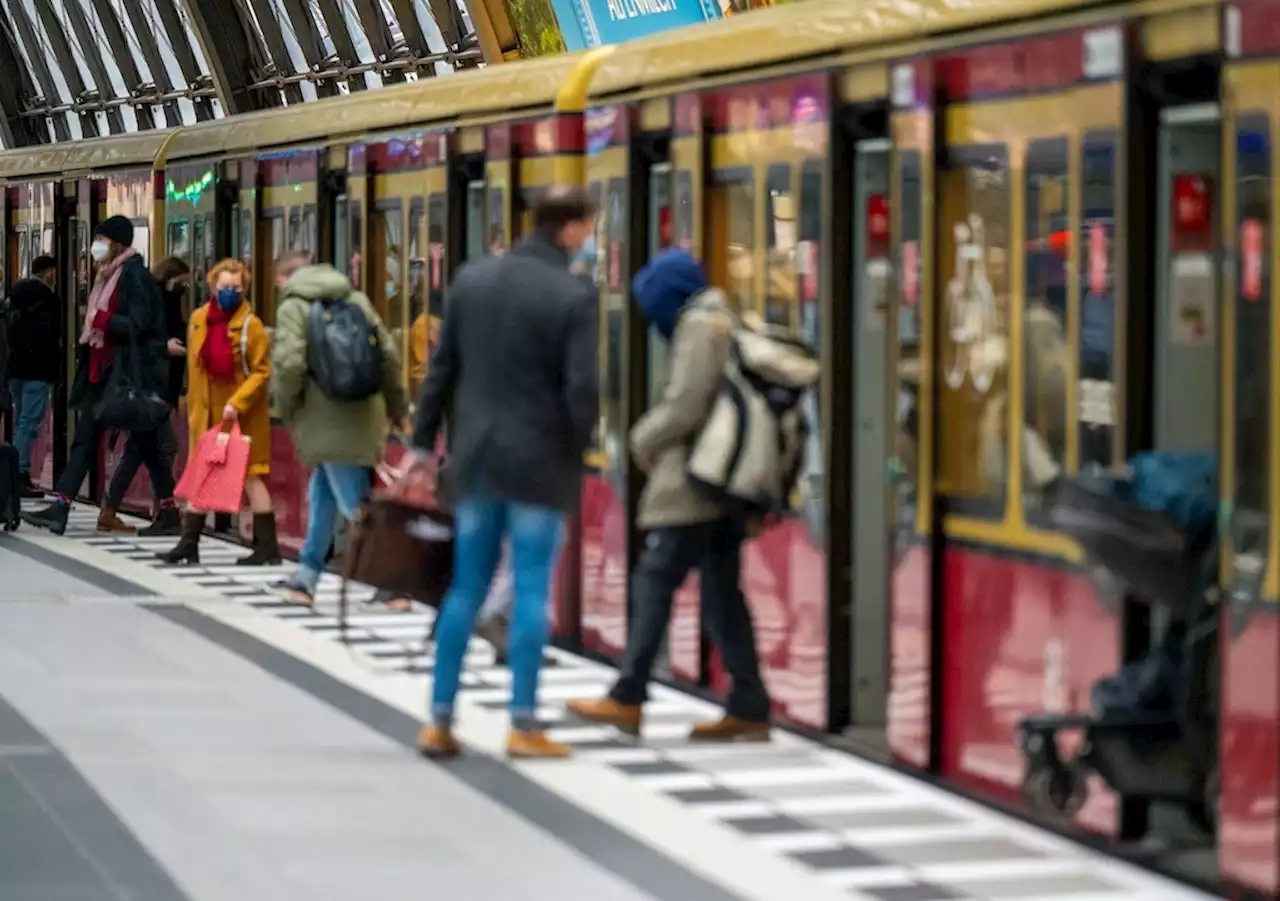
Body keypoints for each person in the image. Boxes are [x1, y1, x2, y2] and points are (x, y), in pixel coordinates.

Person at [414, 186, 598, 760]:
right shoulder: (572, 293)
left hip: (476, 461)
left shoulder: (473, 282)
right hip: (540, 466)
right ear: (570, 230)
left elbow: (440, 372)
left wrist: (422, 445)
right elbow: (583, 391)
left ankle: (439, 721)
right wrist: (580, 450)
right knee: (532, 589)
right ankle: (522, 723)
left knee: (465, 588)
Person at [567, 249, 772, 743]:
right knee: (722, 591)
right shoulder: (720, 318)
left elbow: (685, 404)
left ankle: (628, 696)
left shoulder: (700, 326)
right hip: (719, 477)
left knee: (656, 581)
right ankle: (748, 704)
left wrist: (641, 439)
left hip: (696, 479)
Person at [25, 217, 178, 535]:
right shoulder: (108, 275)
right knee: (94, 439)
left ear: (118, 244)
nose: (97, 246)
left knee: (143, 441)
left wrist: (101, 318)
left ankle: (167, 511)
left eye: (102, 240)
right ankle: (62, 506)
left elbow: (138, 323)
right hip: (103, 374)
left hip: (123, 375)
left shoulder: (133, 275)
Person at [271, 262, 407, 605]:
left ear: (283, 278)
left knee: (355, 505)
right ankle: (306, 576)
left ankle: (395, 582)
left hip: (324, 419)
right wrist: (397, 406)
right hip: (365, 413)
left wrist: (286, 406)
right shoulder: (357, 300)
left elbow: (289, 364)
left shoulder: (292, 307)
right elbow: (389, 355)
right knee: (323, 495)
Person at [157, 258, 278, 565]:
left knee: (252, 477)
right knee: (203, 474)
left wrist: (236, 404)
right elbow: (195, 368)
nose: (229, 292)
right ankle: (190, 543)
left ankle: (266, 547)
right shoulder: (198, 319)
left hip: (241, 415)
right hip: (206, 416)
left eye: (236, 288)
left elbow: (262, 372)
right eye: (224, 286)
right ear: (212, 286)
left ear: (244, 289)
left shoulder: (252, 326)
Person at [98, 257, 190, 535]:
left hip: (152, 389)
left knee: (143, 449)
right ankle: (164, 511)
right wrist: (164, 348)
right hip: (149, 390)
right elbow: (144, 342)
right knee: (158, 447)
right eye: (183, 280)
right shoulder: (158, 302)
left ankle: (119, 510)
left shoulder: (163, 299)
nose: (185, 286)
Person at [6, 255, 61, 498]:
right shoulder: (48, 299)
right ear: (49, 272)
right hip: (38, 369)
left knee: (21, 420)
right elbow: (52, 335)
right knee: (29, 422)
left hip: (14, 367)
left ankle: (18, 470)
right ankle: (17, 473)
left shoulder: (14, 294)